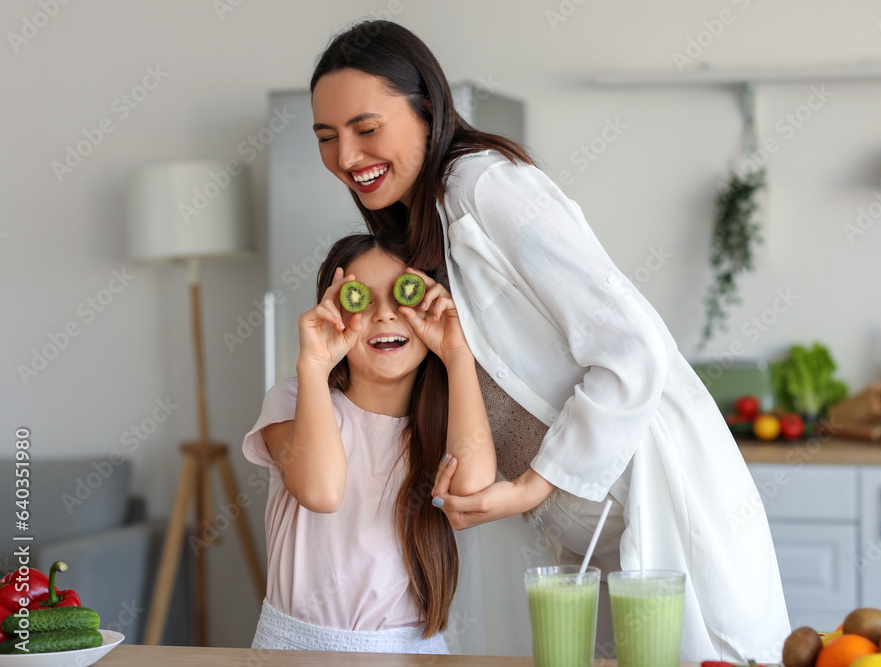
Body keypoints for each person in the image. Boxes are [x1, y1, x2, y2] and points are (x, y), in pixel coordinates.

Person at [307, 20, 791, 661]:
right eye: (326, 137)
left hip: (659, 504)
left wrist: (534, 486)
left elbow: (633, 342)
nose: (345, 157)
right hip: (591, 537)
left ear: (427, 108)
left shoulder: (481, 186)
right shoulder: (418, 226)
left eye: (366, 129)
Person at [242, 233, 497, 653]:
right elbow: (321, 492)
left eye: (403, 297)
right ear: (335, 311)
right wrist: (314, 364)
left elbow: (471, 490)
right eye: (361, 298)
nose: (384, 315)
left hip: (409, 650)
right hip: (294, 649)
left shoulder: (444, 422)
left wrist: (457, 353)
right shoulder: (295, 399)